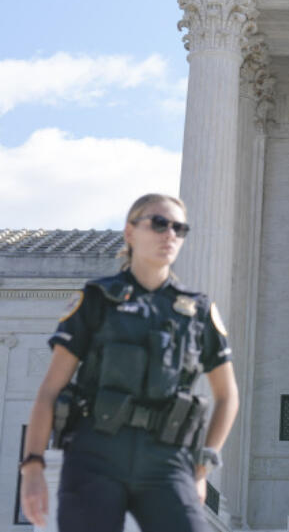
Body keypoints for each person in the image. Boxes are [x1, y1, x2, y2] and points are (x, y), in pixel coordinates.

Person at [19, 193, 239, 532]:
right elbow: (51, 389)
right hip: (96, 454)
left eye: (180, 229)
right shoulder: (96, 299)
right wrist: (32, 465)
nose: (170, 235)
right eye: (160, 223)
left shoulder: (197, 312)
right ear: (129, 232)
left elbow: (227, 396)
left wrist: (203, 466)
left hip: (166, 460)